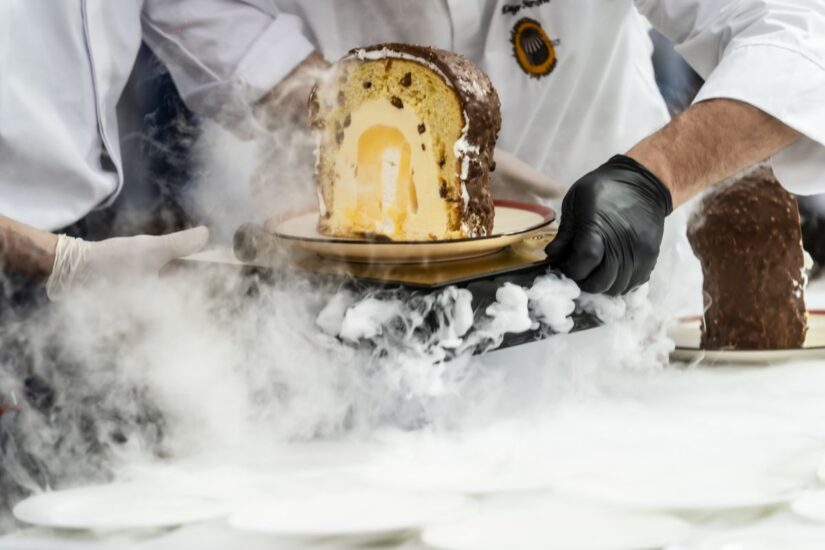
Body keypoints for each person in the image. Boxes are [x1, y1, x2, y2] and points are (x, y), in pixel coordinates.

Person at [261, 0, 824, 295]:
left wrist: (652, 178)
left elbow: (796, 28)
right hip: (346, 300)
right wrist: (357, 112)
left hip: (609, 297)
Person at [0, 0, 322, 300]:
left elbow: (191, 11)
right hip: (23, 244)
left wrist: (331, 99)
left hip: (69, 234)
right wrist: (64, 262)